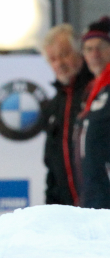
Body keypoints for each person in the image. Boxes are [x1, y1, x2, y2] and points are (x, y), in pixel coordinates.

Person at [41, 24, 93, 206]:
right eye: (53, 59)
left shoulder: (97, 92)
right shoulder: (54, 105)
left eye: (64, 54)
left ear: (80, 53)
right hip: (69, 212)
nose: (59, 63)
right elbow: (52, 167)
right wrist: (51, 209)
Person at [77, 17, 110, 209]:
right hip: (91, 192)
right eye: (89, 49)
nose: (94, 54)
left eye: (100, 47)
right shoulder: (90, 90)